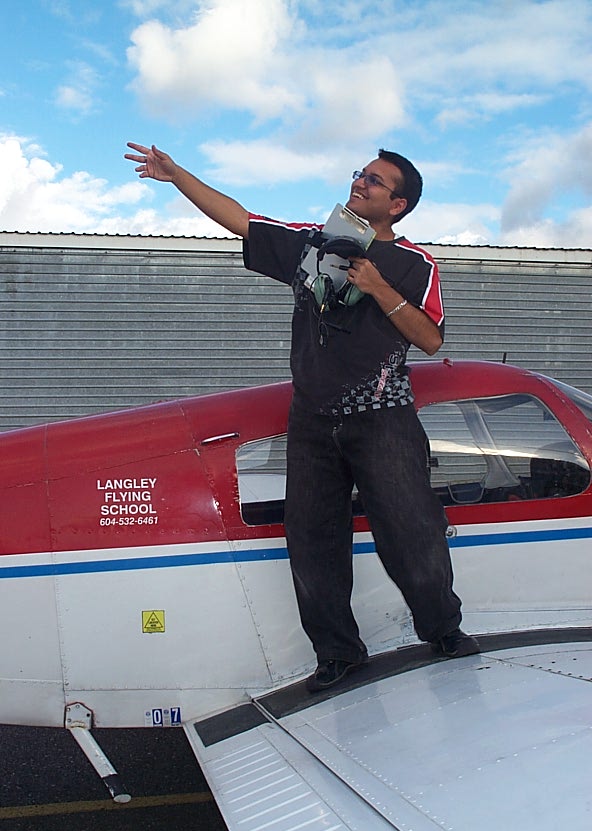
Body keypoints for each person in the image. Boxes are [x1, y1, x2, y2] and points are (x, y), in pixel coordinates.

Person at [124, 142, 480, 692]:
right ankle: (339, 653)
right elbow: (242, 220)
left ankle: (442, 630)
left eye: (376, 181)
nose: (361, 182)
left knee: (412, 535)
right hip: (312, 420)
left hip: (382, 419)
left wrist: (379, 287)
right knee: (312, 540)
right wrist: (175, 176)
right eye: (361, 174)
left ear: (400, 205)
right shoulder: (314, 241)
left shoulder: (415, 265)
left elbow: (431, 340)